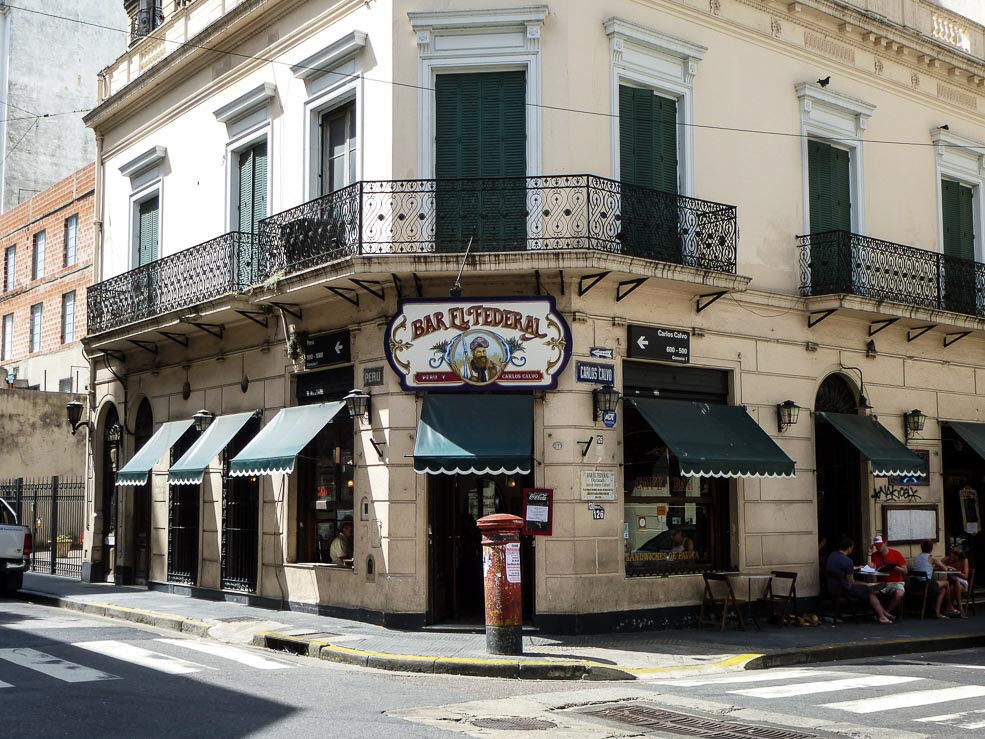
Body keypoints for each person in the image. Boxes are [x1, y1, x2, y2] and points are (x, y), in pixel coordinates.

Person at [826, 536, 894, 624]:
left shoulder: (832, 555)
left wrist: (856, 568)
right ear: (849, 548)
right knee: (870, 592)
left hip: (832, 586)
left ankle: (884, 612)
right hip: (844, 590)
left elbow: (840, 568)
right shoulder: (848, 561)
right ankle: (881, 617)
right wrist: (863, 584)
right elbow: (851, 583)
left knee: (866, 586)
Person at [911, 539, 949, 619]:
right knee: (946, 583)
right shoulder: (932, 558)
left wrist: (933, 567)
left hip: (915, 584)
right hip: (926, 585)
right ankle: (948, 607)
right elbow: (945, 568)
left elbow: (925, 566)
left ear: (921, 547)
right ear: (931, 548)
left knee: (943, 590)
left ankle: (938, 611)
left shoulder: (917, 557)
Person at [869, 535, 906, 616]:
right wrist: (869, 554)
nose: (878, 548)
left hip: (896, 582)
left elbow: (905, 571)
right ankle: (884, 614)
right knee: (869, 592)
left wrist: (894, 566)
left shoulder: (896, 554)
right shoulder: (875, 555)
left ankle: (886, 613)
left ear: (885, 543)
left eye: (880, 545)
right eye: (876, 546)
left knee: (899, 593)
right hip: (882, 583)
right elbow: (871, 568)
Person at [944, 544, 970, 619]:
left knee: (956, 582)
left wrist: (955, 571)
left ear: (958, 557)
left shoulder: (964, 560)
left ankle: (960, 608)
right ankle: (952, 609)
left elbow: (965, 576)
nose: (952, 557)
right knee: (950, 587)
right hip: (951, 581)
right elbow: (938, 564)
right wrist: (944, 567)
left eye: (954, 556)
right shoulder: (949, 559)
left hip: (962, 582)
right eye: (951, 555)